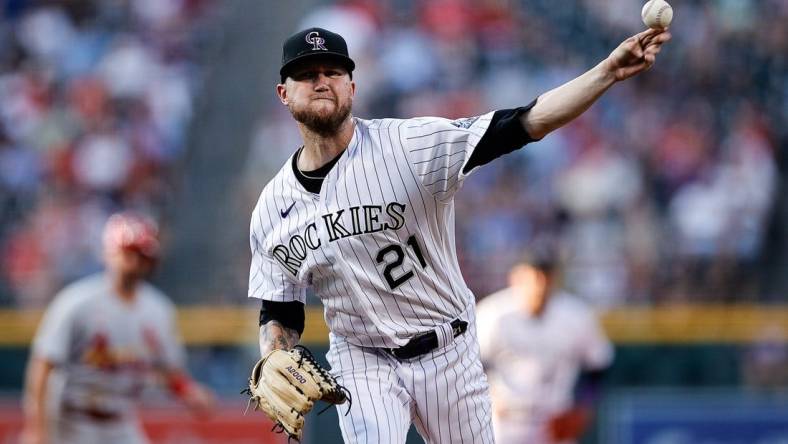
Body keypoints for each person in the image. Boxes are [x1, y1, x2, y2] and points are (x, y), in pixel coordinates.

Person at [248, 26, 669, 443]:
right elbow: (280, 311)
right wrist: (272, 356)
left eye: (332, 72)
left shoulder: (408, 147)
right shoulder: (271, 208)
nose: (321, 81)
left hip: (448, 348)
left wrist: (607, 72)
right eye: (307, 74)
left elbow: (523, 122)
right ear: (284, 94)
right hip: (361, 357)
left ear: (352, 87)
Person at [21, 212, 214, 444]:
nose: (134, 262)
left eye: (141, 254)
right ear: (108, 253)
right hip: (71, 421)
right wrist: (37, 429)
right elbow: (42, 366)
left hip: (121, 422)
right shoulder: (76, 302)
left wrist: (187, 391)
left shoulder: (158, 310)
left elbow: (168, 370)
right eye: (127, 252)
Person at [477, 252, 614, 443]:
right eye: (534, 274)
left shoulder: (576, 314)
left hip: (555, 420)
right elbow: (472, 364)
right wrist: (486, 397)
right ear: (515, 277)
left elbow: (599, 364)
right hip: (505, 421)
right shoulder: (492, 313)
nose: (540, 282)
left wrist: (584, 408)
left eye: (546, 274)